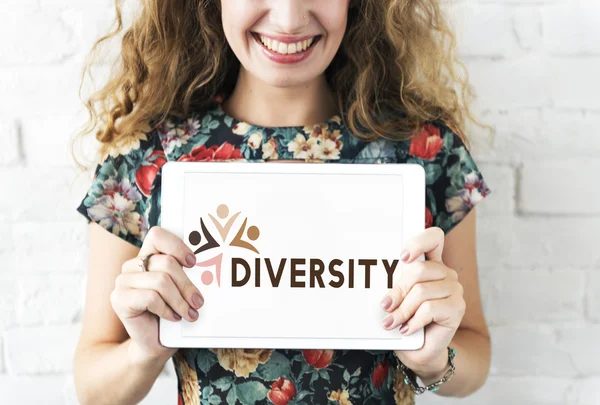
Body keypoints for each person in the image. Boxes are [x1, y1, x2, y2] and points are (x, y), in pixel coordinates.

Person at [71, 1, 493, 404]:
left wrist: (433, 358)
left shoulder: (429, 150)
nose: (289, 19)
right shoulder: (147, 156)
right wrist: (144, 350)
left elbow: (475, 355)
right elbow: (93, 388)